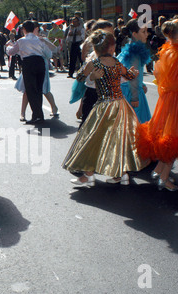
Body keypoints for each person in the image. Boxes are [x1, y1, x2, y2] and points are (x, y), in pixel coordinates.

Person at [62, 30, 149, 187]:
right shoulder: (116, 63)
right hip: (121, 105)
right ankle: (122, 175)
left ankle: (88, 176)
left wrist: (92, 77)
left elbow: (79, 77)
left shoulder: (94, 64)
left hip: (104, 106)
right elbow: (127, 76)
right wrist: (133, 73)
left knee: (93, 139)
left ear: (96, 48)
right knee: (118, 139)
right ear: (111, 48)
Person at [136, 19, 178, 192]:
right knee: (173, 136)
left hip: (166, 98)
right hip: (177, 98)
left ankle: (159, 169)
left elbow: (157, 74)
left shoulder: (165, 51)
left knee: (163, 132)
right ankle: (164, 177)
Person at [11, 22, 58, 121]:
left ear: (24, 29)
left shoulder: (22, 40)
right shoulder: (38, 40)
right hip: (40, 64)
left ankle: (37, 115)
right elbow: (53, 50)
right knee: (36, 90)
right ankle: (35, 114)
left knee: (31, 90)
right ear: (33, 29)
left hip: (30, 64)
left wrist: (9, 46)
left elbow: (11, 52)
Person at [74, 20, 114, 127]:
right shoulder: (92, 58)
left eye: (112, 35)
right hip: (93, 97)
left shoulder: (114, 58)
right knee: (89, 127)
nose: (111, 38)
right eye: (107, 35)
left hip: (110, 99)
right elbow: (80, 77)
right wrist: (92, 77)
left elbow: (123, 75)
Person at [118, 19, 152, 124]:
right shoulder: (135, 52)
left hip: (130, 90)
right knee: (136, 125)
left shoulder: (131, 48)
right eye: (143, 31)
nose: (147, 34)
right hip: (131, 92)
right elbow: (133, 75)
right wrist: (135, 97)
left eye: (147, 31)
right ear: (134, 34)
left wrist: (141, 84)